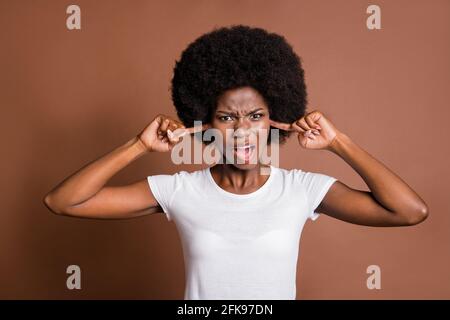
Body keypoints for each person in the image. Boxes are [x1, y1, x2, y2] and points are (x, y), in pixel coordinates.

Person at [44, 25, 428, 300]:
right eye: (228, 118)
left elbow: (409, 211)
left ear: (275, 118)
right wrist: (138, 145)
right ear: (205, 123)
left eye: (256, 116)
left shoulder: (301, 189)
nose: (243, 131)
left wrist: (339, 142)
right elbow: (62, 202)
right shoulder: (181, 190)